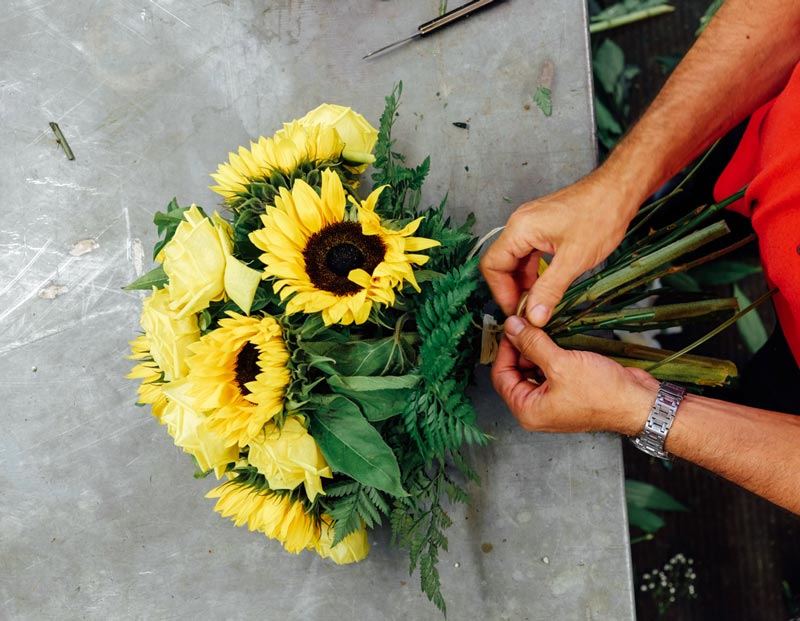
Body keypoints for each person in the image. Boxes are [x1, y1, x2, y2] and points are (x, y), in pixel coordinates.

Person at [479, 0, 800, 515]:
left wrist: (648, 411)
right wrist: (617, 186)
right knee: (687, 202)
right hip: (771, 139)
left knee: (761, 399)